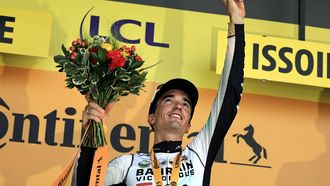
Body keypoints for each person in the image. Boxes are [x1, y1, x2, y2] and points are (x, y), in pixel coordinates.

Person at [74, 0, 245, 185]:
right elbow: (85, 184)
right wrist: (90, 133)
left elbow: (228, 96)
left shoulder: (198, 154)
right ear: (151, 118)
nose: (179, 105)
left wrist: (236, 21)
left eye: (186, 104)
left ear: (188, 126)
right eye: (169, 99)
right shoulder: (127, 164)